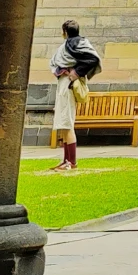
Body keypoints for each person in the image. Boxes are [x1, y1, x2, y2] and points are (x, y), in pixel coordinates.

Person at [50, 20, 101, 173]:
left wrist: (76, 72)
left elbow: (93, 59)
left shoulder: (76, 43)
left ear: (64, 31)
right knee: (64, 122)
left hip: (69, 84)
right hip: (64, 83)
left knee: (67, 121)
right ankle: (66, 159)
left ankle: (71, 162)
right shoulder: (71, 44)